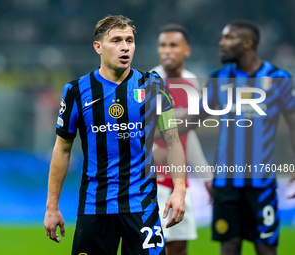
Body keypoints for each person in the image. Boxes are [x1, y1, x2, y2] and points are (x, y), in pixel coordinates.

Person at [44, 15, 187, 255]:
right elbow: (62, 148)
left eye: (129, 40)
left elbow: (173, 141)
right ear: (98, 47)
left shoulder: (153, 85)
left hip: (142, 205)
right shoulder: (76, 91)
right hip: (94, 206)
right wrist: (51, 206)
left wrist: (179, 189)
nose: (125, 47)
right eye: (116, 40)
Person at [177, 20, 295, 255]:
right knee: (229, 247)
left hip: (262, 183)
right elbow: (195, 118)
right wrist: (156, 125)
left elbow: (293, 123)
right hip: (226, 184)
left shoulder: (277, 78)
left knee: (266, 248)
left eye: (228, 38)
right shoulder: (220, 78)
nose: (221, 43)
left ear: (248, 43)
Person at [151, 24, 212, 255]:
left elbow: (188, 135)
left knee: (179, 248)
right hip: (151, 181)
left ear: (187, 50)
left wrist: (206, 178)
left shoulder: (192, 83)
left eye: (173, 45)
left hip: (179, 181)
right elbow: (136, 132)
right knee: (151, 247)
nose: (167, 50)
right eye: (162, 45)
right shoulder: (149, 82)